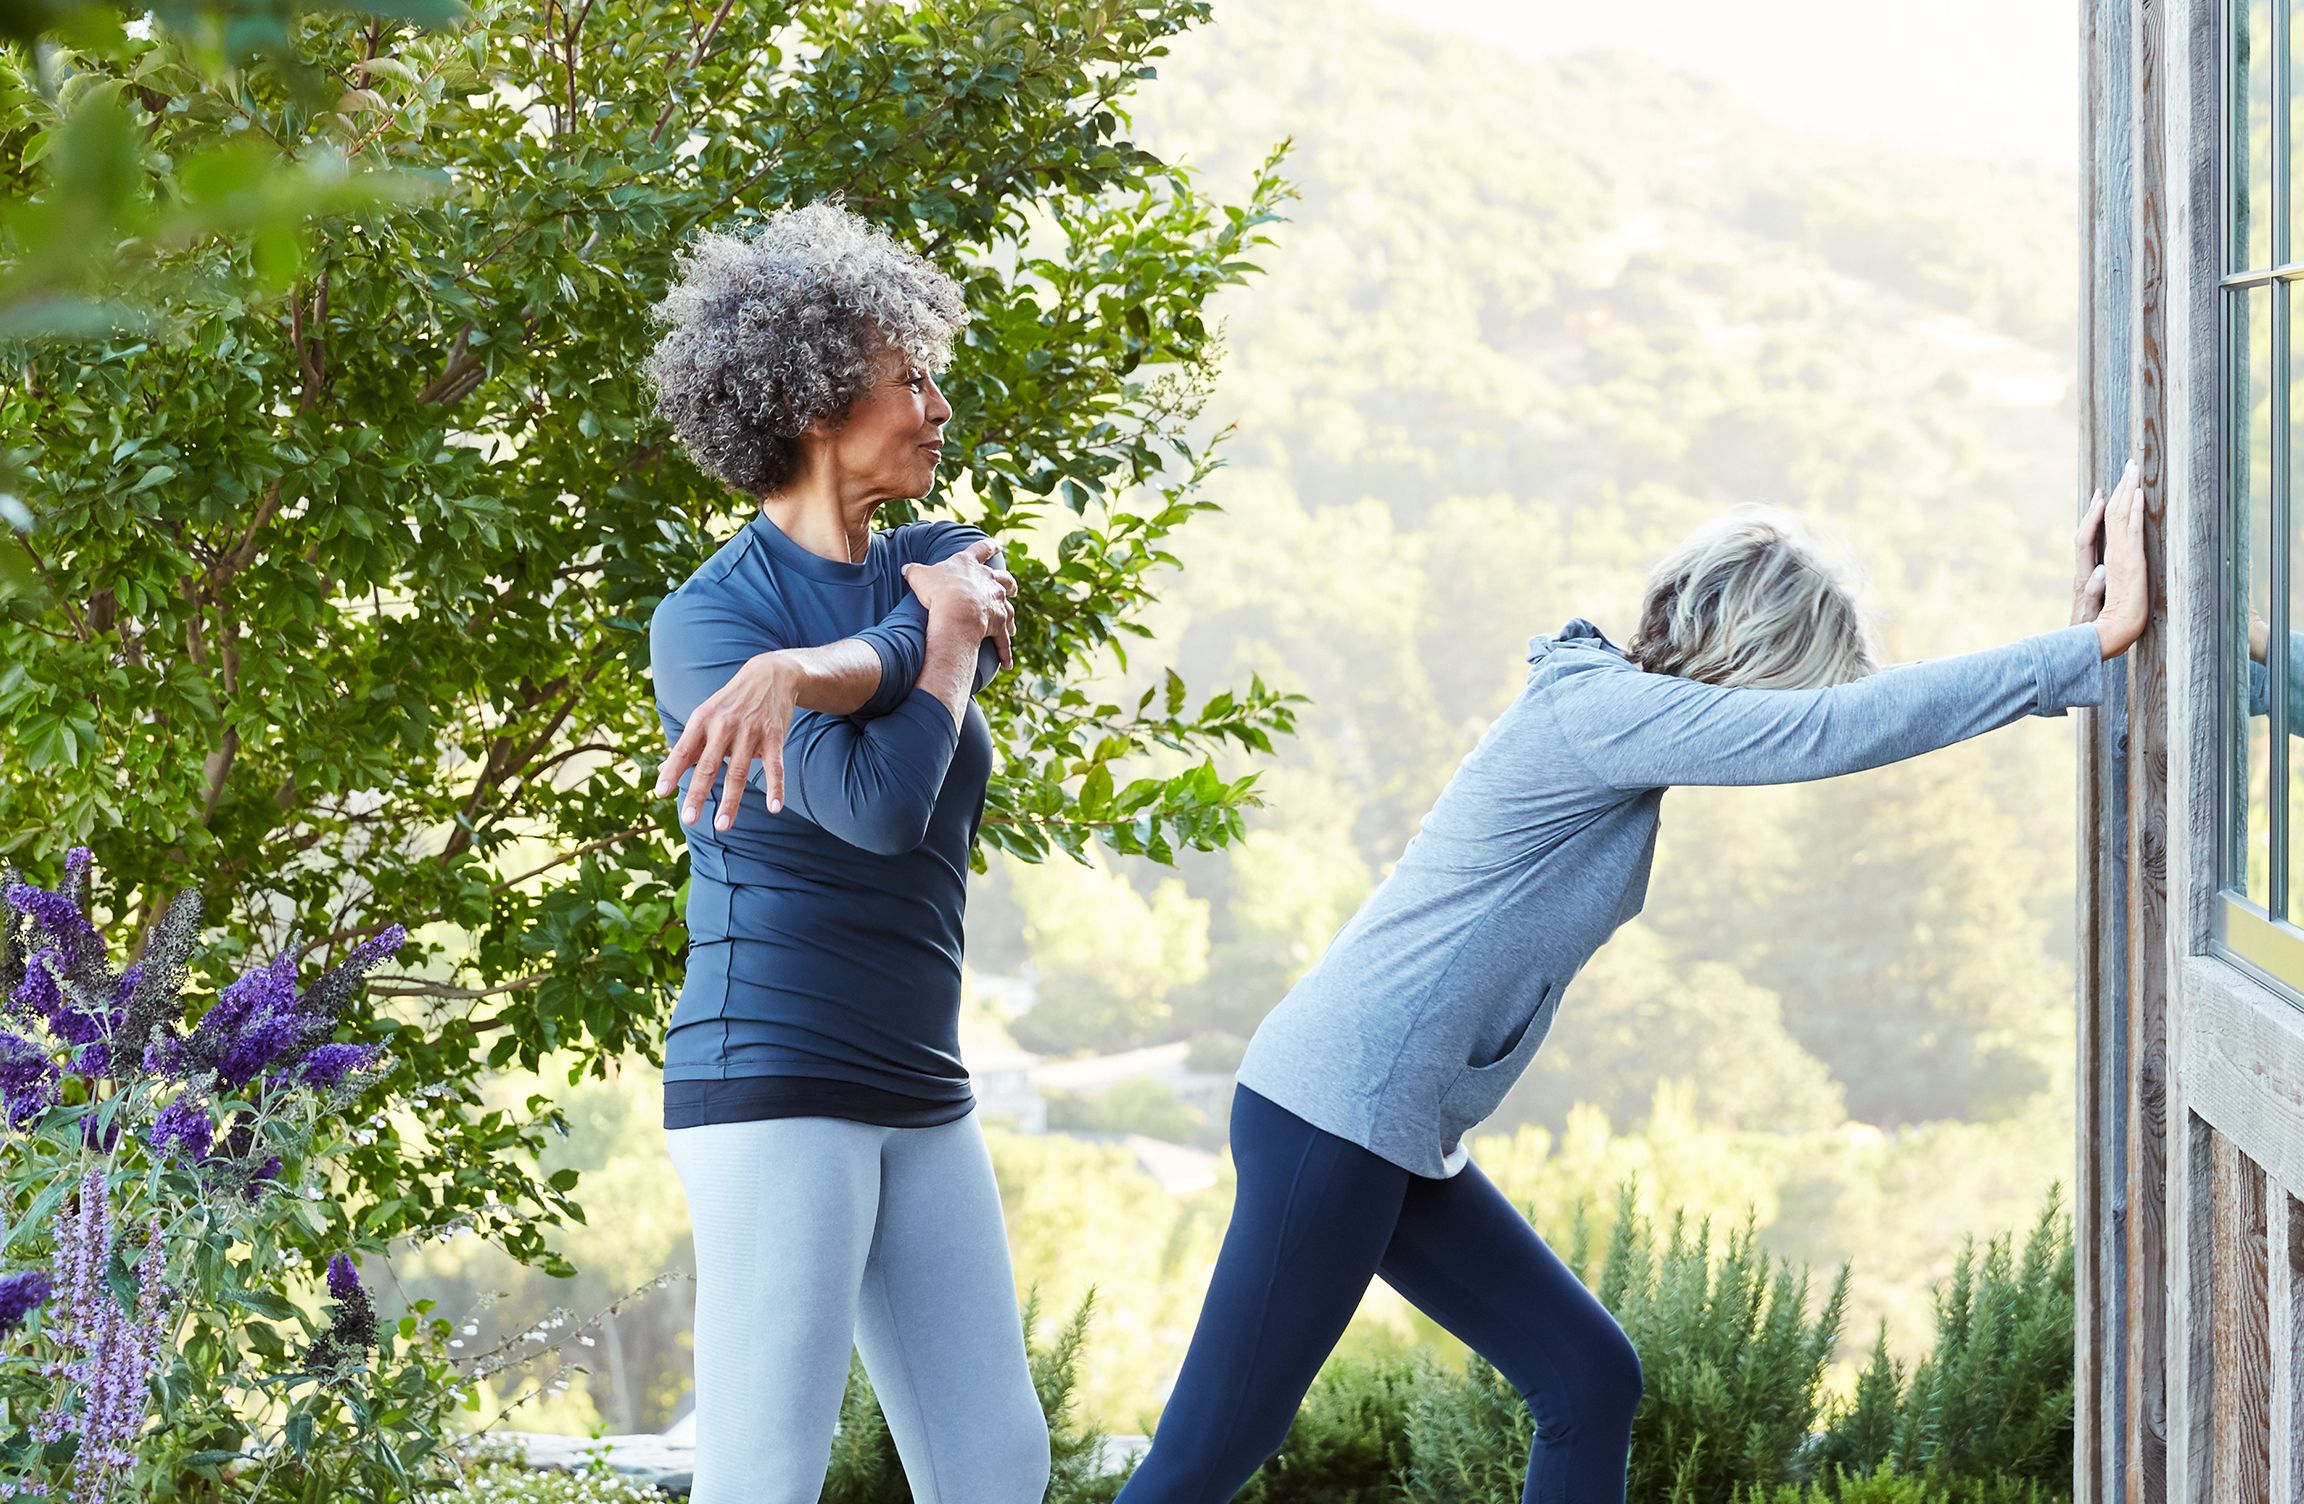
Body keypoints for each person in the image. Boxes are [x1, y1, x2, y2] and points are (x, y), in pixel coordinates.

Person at [1113, 461, 2149, 1504]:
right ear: (1753, 655)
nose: (1783, 717)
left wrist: (2068, 650)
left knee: (1586, 1376)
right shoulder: (1598, 713)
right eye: (1792, 684)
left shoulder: (1608, 712)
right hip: (1336, 1110)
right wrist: (2084, 652)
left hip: (1383, 1119)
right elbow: (1831, 734)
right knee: (1205, 1457)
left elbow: (1847, 715)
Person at [640, 200, 1047, 1504]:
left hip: (920, 1080)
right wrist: (893, 651)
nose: (939, 404)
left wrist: (817, 668)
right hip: (775, 1077)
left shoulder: (940, 560)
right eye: (906, 376)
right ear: (816, 402)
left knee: (996, 1469)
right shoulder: (708, 627)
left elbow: (948, 618)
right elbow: (878, 805)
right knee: (765, 1476)